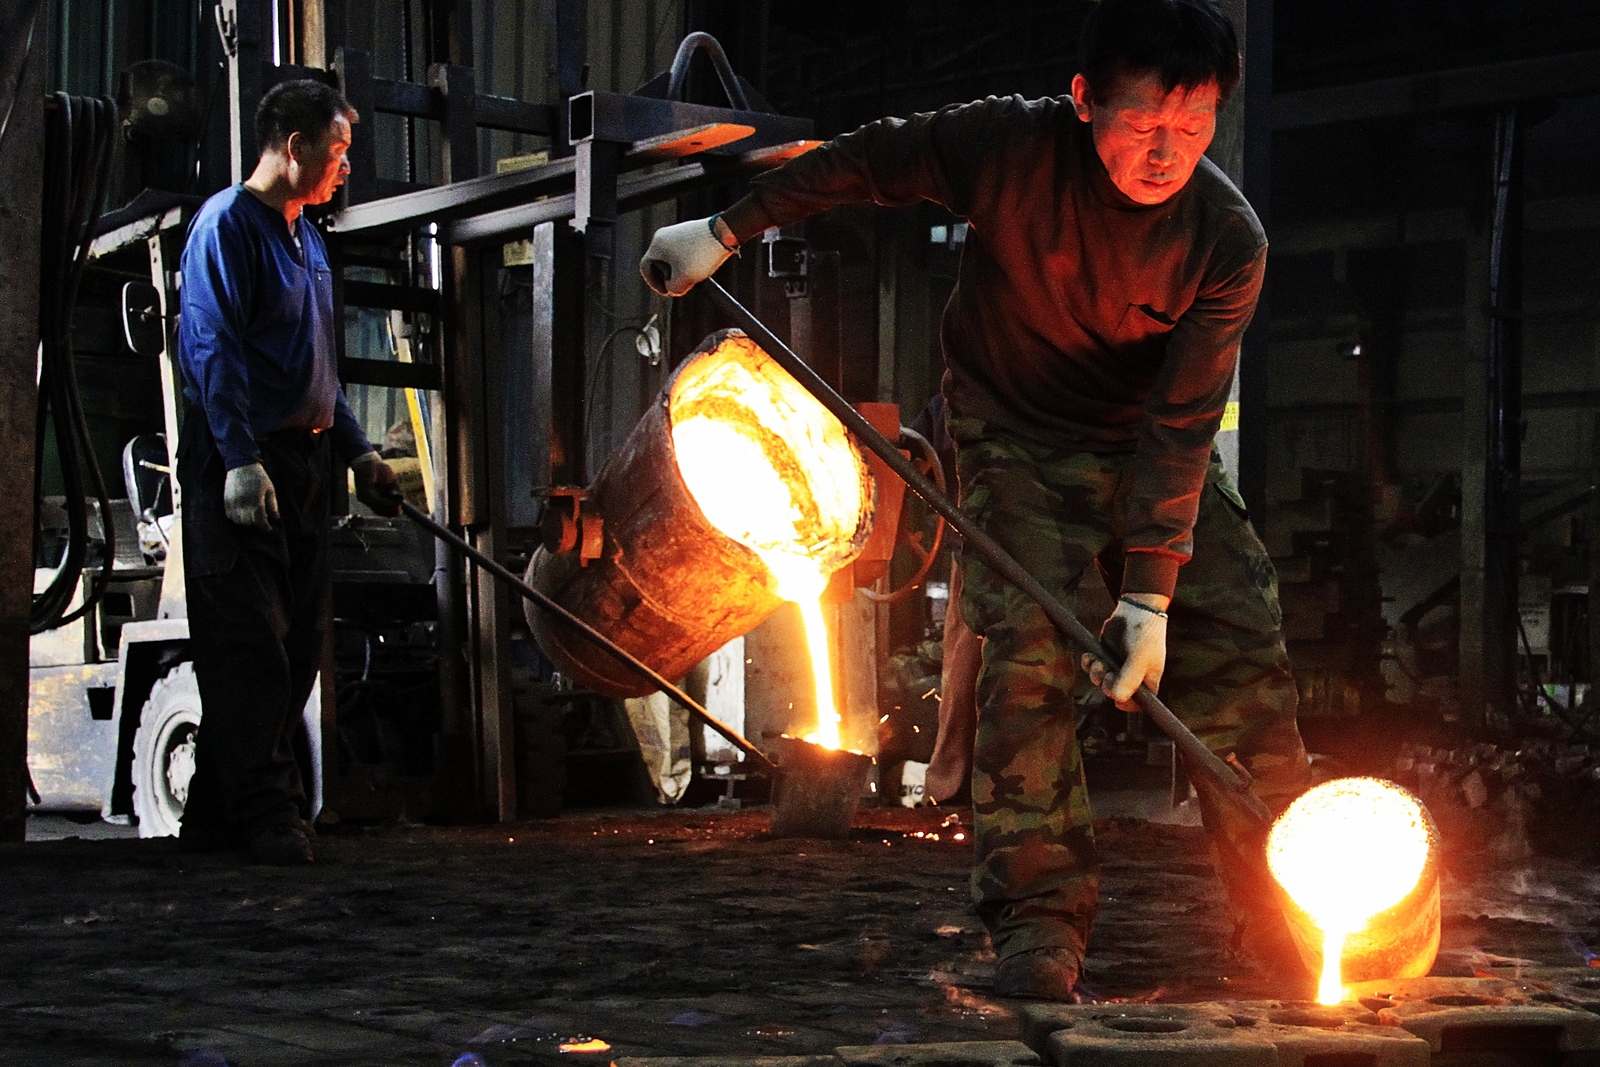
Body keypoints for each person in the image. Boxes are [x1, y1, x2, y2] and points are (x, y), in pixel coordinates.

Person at [641, 0, 1313, 1000]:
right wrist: (725, 229)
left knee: (1243, 654)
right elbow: (865, 160)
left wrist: (1148, 594)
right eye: (1142, 122)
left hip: (1143, 443)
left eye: (1194, 124)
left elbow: (1182, 426)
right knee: (1029, 661)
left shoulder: (1226, 239)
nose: (1166, 151)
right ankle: (1039, 922)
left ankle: (1292, 914)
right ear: (1084, 100)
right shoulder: (1007, 149)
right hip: (1016, 438)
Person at [175, 79, 399, 865]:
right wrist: (239, 459)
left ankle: (213, 817)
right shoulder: (226, 227)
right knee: (250, 645)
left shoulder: (309, 240)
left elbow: (318, 366)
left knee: (298, 643)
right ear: (295, 147)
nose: (346, 166)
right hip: (241, 458)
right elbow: (214, 348)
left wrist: (358, 449)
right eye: (338, 151)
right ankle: (271, 813)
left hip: (302, 461)